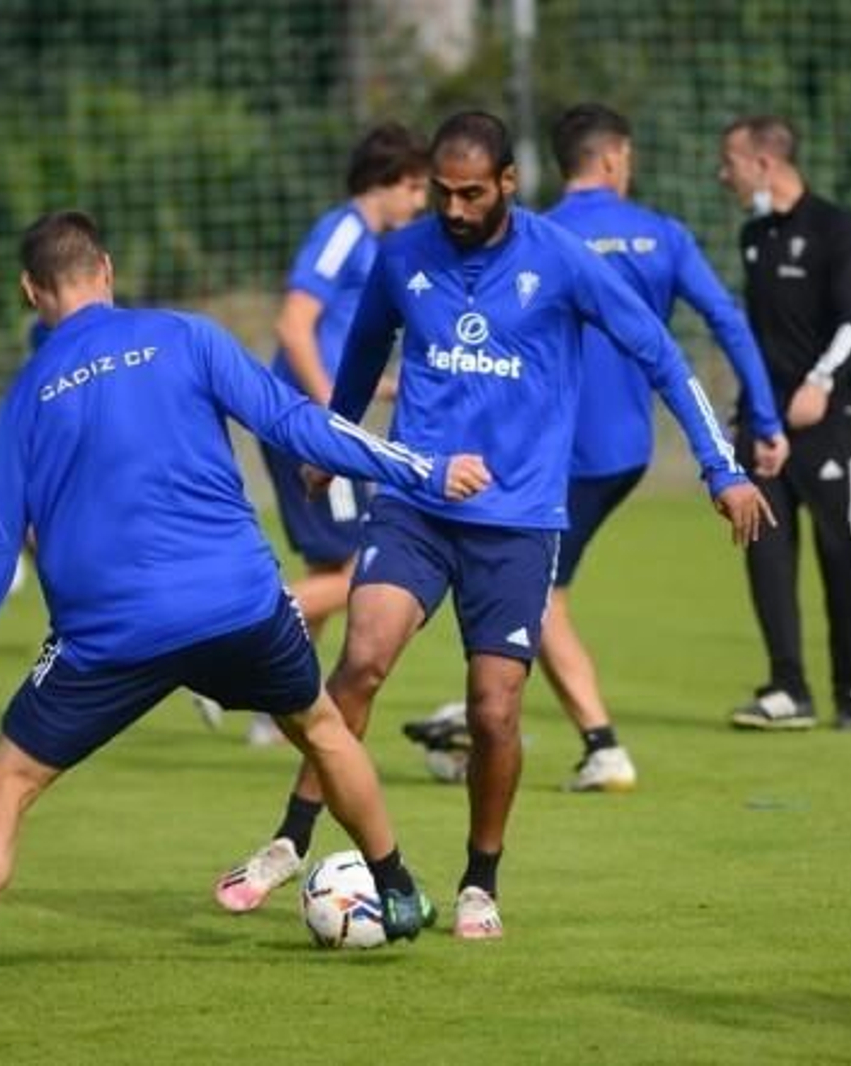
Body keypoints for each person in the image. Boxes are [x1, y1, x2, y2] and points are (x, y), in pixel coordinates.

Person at [0, 210, 492, 1003]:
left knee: (6, 785)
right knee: (323, 730)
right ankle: (399, 887)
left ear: (32, 292)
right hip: (237, 605)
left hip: (108, 639)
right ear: (106, 269)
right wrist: (425, 470)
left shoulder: (24, 400)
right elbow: (298, 423)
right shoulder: (186, 337)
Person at [214, 111, 774, 940]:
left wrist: (720, 467)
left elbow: (662, 354)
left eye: (471, 192)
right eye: (442, 191)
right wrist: (333, 439)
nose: (454, 207)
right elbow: (364, 348)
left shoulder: (561, 261)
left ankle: (481, 879)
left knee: (494, 711)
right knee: (361, 658)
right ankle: (291, 837)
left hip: (516, 521)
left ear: (509, 183)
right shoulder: (404, 257)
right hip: (414, 504)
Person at [402, 103, 787, 792]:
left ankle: (584, 738)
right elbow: (723, 320)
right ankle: (489, 716)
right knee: (530, 588)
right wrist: (763, 416)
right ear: (615, 159)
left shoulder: (541, 239)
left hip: (540, 458)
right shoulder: (662, 233)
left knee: (528, 588)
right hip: (625, 450)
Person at [235, 122, 431, 747]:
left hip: (310, 417)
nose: (423, 204)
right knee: (355, 574)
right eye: (420, 189)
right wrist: (331, 419)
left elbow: (327, 344)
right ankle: (229, 639)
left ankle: (280, 705)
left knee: (332, 563)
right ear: (395, 183)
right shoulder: (343, 230)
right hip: (306, 425)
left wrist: (381, 386)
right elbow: (294, 325)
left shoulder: (367, 241)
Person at [717, 115, 851, 732]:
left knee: (841, 553)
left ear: (763, 163)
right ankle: (788, 688)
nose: (721, 173)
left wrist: (822, 382)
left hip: (832, 422)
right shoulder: (753, 236)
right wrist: (754, 415)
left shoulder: (837, 228)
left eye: (729, 160)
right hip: (765, 426)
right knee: (764, 550)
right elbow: (756, 337)